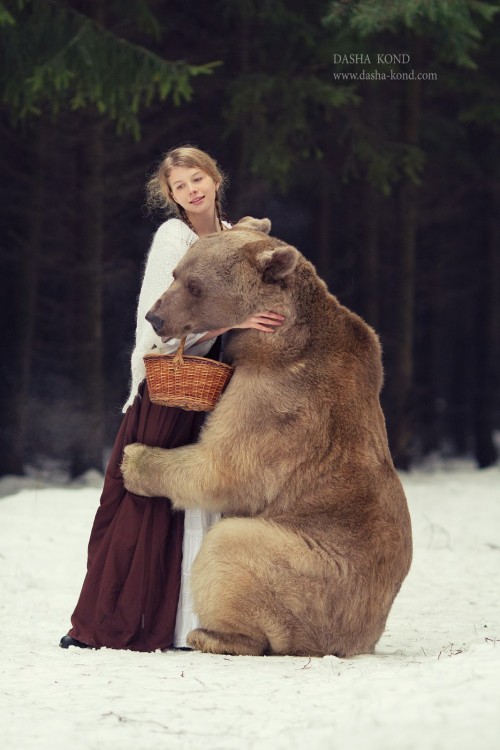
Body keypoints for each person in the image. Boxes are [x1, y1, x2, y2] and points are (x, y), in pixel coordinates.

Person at [60, 145, 284, 651]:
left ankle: (204, 618)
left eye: (197, 177)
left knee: (210, 497)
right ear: (170, 196)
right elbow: (158, 324)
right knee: (153, 502)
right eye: (180, 186)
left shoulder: (233, 238)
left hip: (222, 389)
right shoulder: (174, 238)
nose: (192, 190)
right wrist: (234, 322)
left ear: (214, 177)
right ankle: (130, 620)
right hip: (173, 385)